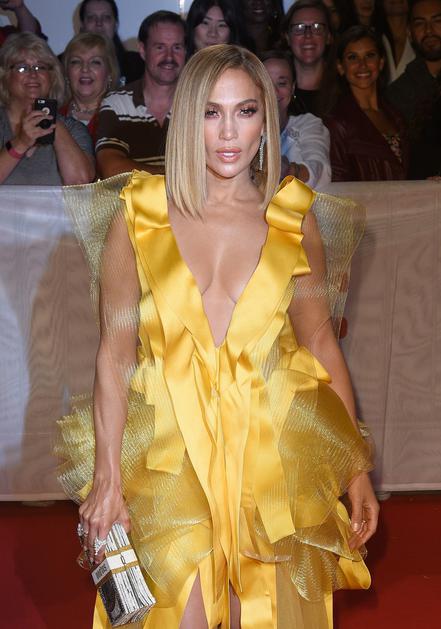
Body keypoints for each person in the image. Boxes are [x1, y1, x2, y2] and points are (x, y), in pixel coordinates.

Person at [57, 43, 378, 628]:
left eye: (245, 111)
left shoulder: (293, 217)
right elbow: (115, 356)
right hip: (171, 457)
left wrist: (353, 467)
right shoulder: (139, 214)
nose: (229, 132)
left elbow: (319, 345)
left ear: (266, 119)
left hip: (271, 456)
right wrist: (107, 477)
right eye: (211, 112)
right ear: (185, 119)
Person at [95, 10, 185, 178]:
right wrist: (175, 177)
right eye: (160, 47)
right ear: (142, 50)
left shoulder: (199, 103)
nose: (169, 57)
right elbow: (111, 168)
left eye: (177, 47)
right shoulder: (117, 103)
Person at [0, 32, 94, 185]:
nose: (33, 74)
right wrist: (21, 143)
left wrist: (51, 120)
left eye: (41, 67)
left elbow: (80, 182)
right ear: (5, 76)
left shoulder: (73, 129)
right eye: (22, 68)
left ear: (53, 77)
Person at [325, 25, 408, 180]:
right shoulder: (337, 123)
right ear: (340, 67)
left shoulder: (396, 115)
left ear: (381, 62)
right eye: (352, 57)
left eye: (370, 55)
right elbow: (336, 182)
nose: (362, 65)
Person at [386, 0, 441, 178]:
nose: (429, 30)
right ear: (409, 33)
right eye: (420, 23)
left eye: (437, 21)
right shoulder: (397, 95)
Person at [262, 49, 331, 188]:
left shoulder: (308, 124)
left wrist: (290, 170)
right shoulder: (240, 128)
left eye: (282, 83)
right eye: (266, 84)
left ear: (292, 88)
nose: (274, 91)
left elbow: (319, 168)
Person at [60, 33, 119, 144]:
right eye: (76, 62)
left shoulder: (121, 118)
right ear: (67, 73)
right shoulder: (53, 117)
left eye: (95, 62)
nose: (85, 69)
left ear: (110, 72)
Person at [282, 0, 334, 115]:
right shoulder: (275, 90)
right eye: (299, 28)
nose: (308, 35)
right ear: (287, 37)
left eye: (317, 27)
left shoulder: (344, 89)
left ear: (329, 36)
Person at [78, 0, 144, 85]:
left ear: (116, 24)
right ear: (82, 25)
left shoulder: (137, 64)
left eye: (106, 17)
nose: (99, 23)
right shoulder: (65, 63)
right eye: (91, 18)